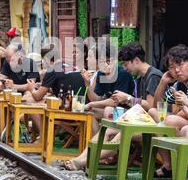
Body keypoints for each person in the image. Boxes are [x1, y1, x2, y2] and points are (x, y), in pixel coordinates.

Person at [64, 42, 162, 171]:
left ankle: (84, 161)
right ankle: (79, 159)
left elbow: (150, 107)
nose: (125, 67)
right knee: (107, 129)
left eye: (126, 64)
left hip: (150, 122)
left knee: (114, 128)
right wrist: (87, 85)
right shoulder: (141, 77)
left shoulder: (151, 75)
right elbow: (98, 98)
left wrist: (127, 98)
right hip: (138, 119)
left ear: (136, 61)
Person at [151, 44, 188, 179]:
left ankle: (182, 168)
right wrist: (163, 82)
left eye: (180, 65)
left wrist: (176, 112)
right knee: (153, 112)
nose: (176, 70)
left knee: (170, 120)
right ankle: (168, 164)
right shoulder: (179, 84)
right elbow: (158, 106)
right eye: (171, 67)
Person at [25, 44, 86, 132]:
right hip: (82, 107)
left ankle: (44, 139)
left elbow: (37, 96)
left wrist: (31, 88)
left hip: (69, 110)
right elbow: (65, 85)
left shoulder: (52, 69)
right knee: (44, 101)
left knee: (33, 108)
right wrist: (46, 88)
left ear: (46, 59)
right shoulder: (73, 66)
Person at [81, 41, 135, 135]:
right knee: (89, 113)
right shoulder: (101, 74)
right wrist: (87, 84)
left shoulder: (123, 74)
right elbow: (96, 98)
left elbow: (115, 101)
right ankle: (98, 144)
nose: (105, 65)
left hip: (127, 112)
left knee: (108, 110)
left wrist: (91, 104)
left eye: (108, 61)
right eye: (102, 62)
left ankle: (108, 146)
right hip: (110, 110)